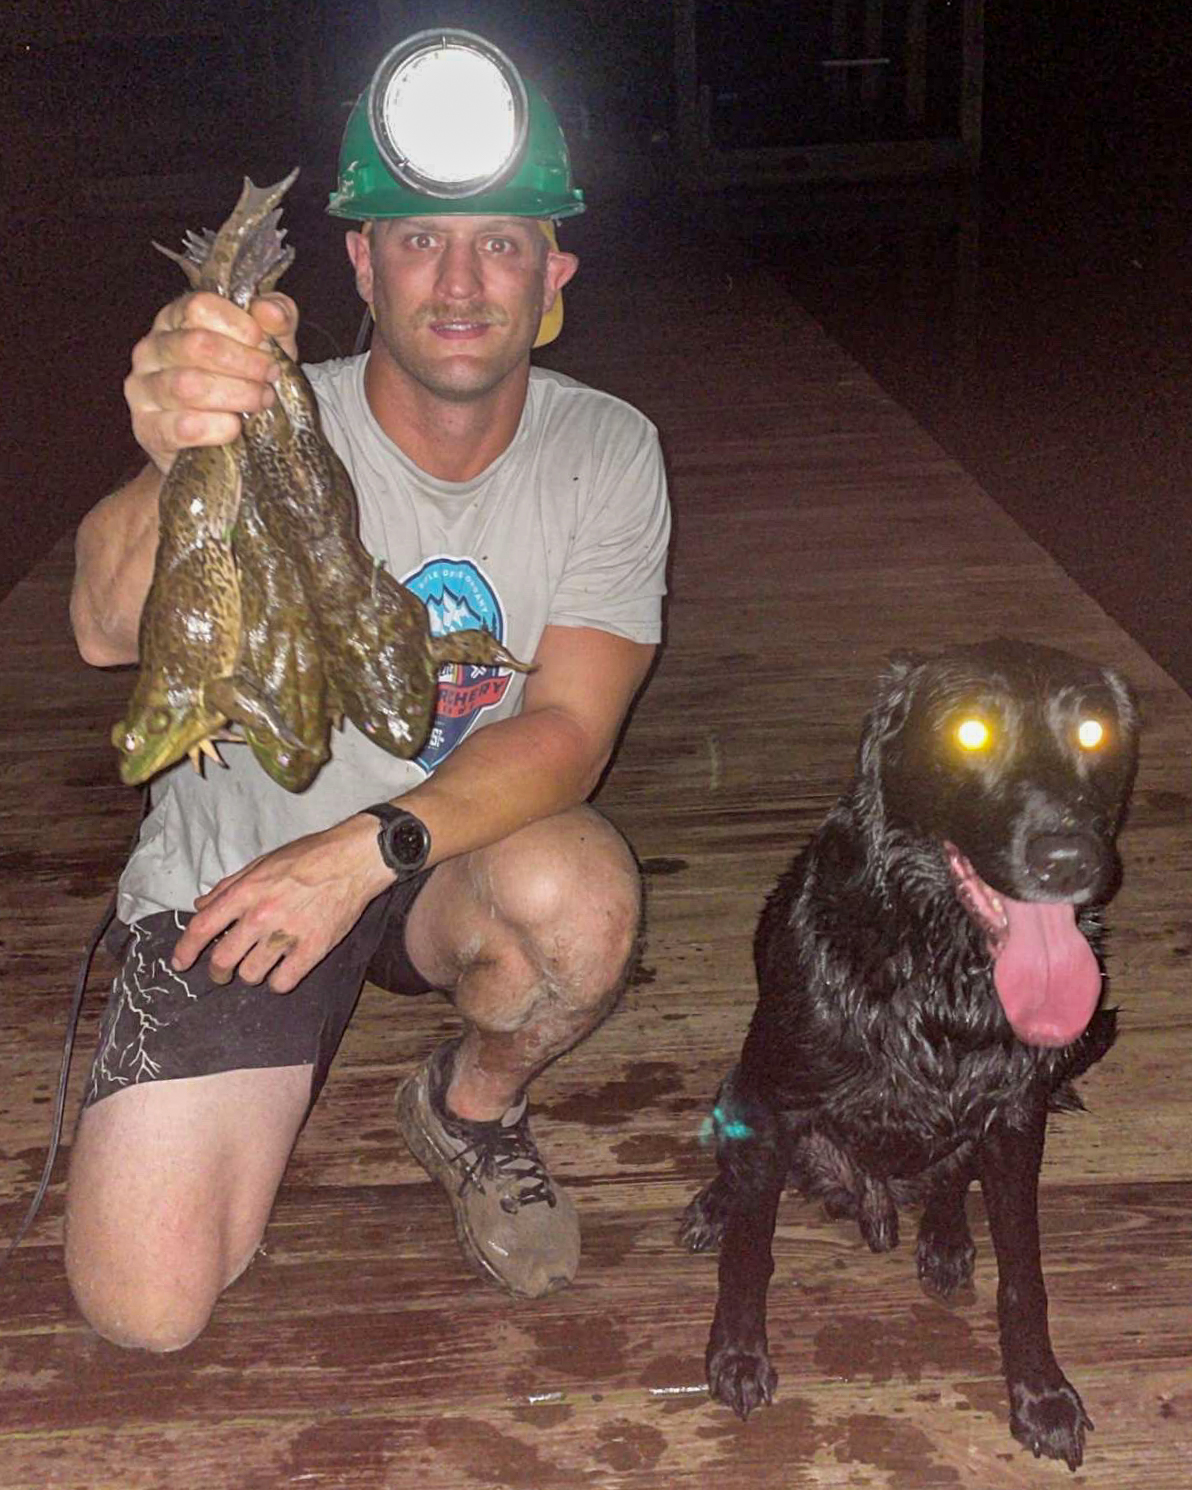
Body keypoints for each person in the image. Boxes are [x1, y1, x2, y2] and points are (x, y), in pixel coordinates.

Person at [65, 32, 670, 1351]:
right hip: (248, 874)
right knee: (147, 1308)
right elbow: (108, 630)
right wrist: (174, 449)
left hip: (439, 858)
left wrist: (367, 851)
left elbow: (567, 727)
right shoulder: (275, 414)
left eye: (501, 241)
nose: (459, 280)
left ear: (554, 269)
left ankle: (467, 1107)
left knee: (583, 902)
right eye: (416, 240)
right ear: (360, 262)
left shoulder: (607, 450)